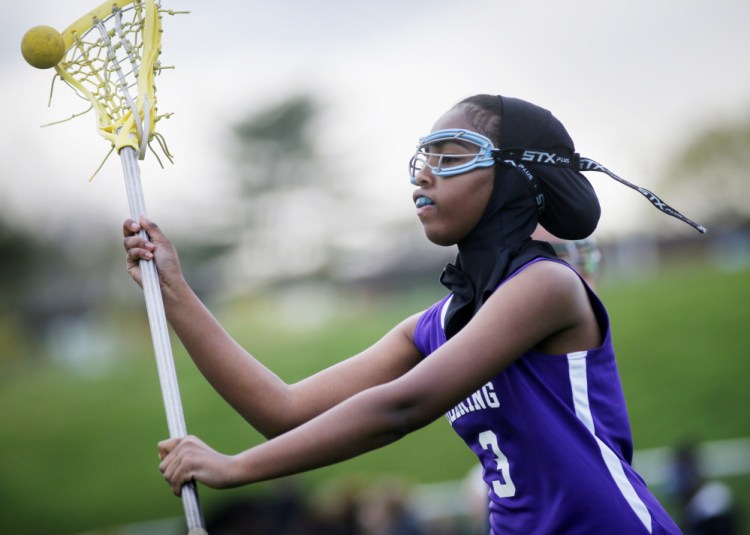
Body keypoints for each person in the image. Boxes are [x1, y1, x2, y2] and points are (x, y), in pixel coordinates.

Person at [124, 94, 701, 534]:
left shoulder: (548, 286)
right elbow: (284, 410)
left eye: (452, 158)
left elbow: (404, 405)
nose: (425, 172)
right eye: (424, 158)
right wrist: (174, 287)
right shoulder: (440, 321)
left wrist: (235, 468)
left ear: (514, 177)